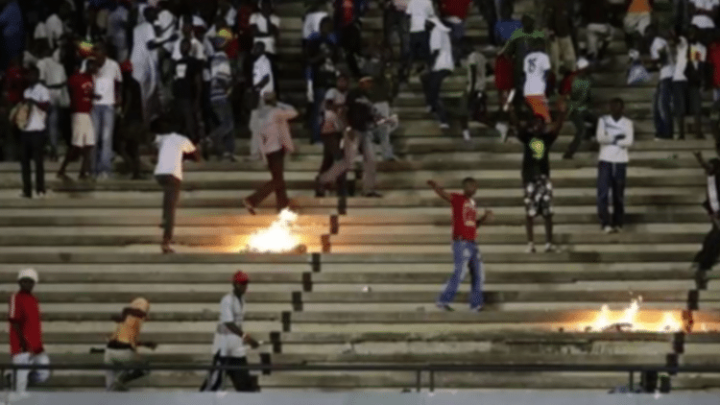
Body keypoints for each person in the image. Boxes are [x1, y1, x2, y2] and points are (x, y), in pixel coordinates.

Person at [316, 77, 392, 198]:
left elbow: (371, 116)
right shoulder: (353, 94)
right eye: (368, 82)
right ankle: (323, 180)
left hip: (365, 131)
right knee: (347, 162)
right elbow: (344, 111)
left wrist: (386, 120)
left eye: (371, 82)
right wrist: (347, 128)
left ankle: (369, 190)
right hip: (353, 130)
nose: (370, 84)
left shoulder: (368, 97)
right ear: (362, 83)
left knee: (371, 161)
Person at [428, 178, 492, 312]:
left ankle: (476, 304)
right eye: (470, 185)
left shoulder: (473, 204)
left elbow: (473, 225)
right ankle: (443, 300)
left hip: (472, 242)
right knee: (460, 272)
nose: (473, 188)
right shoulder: (458, 199)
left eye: (475, 186)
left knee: (478, 273)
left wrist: (484, 218)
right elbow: (444, 195)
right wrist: (435, 187)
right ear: (464, 187)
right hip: (461, 242)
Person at [515, 106, 568, 253]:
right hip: (530, 179)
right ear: (532, 126)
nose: (538, 126)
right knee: (530, 213)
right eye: (535, 123)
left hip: (543, 178)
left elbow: (557, 129)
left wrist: (561, 116)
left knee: (547, 213)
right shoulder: (527, 138)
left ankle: (548, 243)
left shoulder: (546, 139)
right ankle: (530, 243)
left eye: (541, 123)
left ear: (544, 126)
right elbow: (517, 126)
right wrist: (512, 111)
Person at [200, 271, 260, 392]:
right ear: (235, 284)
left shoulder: (242, 300)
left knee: (245, 385)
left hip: (237, 349)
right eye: (242, 283)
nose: (245, 286)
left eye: (246, 283)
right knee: (213, 383)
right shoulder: (227, 300)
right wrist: (246, 337)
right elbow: (229, 323)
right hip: (224, 349)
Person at [243, 92, 297, 214]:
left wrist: (263, 156)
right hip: (276, 149)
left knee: (278, 179)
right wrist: (280, 104)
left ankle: (283, 206)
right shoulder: (275, 111)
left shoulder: (258, 114)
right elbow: (294, 113)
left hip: (268, 151)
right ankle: (252, 200)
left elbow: (259, 137)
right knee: (277, 180)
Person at [153, 117, 201, 254]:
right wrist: (187, 156)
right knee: (171, 209)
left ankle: (164, 219)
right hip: (173, 175)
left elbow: (154, 144)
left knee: (167, 199)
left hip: (159, 173)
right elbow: (196, 155)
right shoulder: (182, 139)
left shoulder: (163, 138)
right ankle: (166, 242)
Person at [8, 268, 50, 394]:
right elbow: (15, 322)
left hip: (37, 347)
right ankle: (17, 381)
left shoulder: (34, 299)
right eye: (24, 281)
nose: (27, 284)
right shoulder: (16, 298)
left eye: (30, 282)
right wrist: (24, 345)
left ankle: (12, 376)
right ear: (19, 282)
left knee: (44, 373)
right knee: (20, 389)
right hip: (22, 348)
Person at [596, 98, 634, 233]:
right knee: (603, 193)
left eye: (617, 107)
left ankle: (618, 222)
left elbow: (629, 141)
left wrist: (611, 139)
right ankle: (605, 222)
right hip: (605, 159)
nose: (614, 109)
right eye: (612, 106)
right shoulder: (603, 120)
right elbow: (600, 138)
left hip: (620, 161)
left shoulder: (628, 122)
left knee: (618, 194)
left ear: (622, 109)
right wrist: (617, 138)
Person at [57, 58, 98, 181]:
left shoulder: (92, 79)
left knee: (89, 144)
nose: (95, 68)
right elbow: (68, 89)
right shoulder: (76, 78)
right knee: (77, 146)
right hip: (78, 113)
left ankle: (82, 172)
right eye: (92, 66)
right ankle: (62, 170)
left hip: (87, 113)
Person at [104, 297, 157, 392]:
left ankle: (116, 386)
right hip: (124, 352)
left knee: (111, 387)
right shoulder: (139, 317)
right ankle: (122, 378)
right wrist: (137, 352)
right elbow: (132, 341)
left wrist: (144, 344)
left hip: (109, 352)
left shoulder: (124, 315)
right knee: (145, 367)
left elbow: (115, 337)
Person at [92, 42, 123, 180]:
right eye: (95, 52)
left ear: (104, 53)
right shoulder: (89, 64)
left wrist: (118, 96)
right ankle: (93, 168)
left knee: (106, 138)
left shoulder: (113, 65)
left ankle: (105, 168)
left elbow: (119, 82)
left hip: (108, 105)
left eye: (99, 51)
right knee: (94, 137)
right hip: (94, 105)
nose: (97, 55)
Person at [306, 17, 339, 145]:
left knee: (330, 112)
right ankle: (316, 137)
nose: (329, 28)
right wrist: (322, 56)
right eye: (327, 25)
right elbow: (309, 60)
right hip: (319, 80)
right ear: (321, 26)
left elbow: (336, 60)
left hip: (330, 80)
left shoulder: (332, 42)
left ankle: (328, 136)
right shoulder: (314, 41)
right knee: (318, 111)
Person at [19, 65, 50, 199]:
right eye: (28, 75)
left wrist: (34, 102)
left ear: (37, 76)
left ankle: (40, 189)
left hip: (37, 129)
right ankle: (27, 190)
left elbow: (46, 107)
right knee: (24, 162)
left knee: (38, 162)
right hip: (26, 129)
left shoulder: (43, 90)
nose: (30, 77)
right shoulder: (26, 91)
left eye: (32, 75)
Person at [692, 145, 720, 286]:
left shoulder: (716, 174)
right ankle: (701, 265)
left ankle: (702, 264)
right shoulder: (712, 172)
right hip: (715, 210)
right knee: (714, 236)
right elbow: (707, 167)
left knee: (715, 236)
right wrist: (700, 159)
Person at [36, 42, 68, 161]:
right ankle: (54, 150)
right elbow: (64, 82)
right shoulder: (59, 65)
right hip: (57, 97)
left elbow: (41, 80)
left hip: (45, 96)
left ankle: (44, 151)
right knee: (53, 126)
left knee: (41, 126)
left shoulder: (41, 63)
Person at [673, 27, 706, 140]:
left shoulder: (701, 48)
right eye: (690, 32)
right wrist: (673, 35)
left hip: (692, 79)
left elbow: (700, 64)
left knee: (697, 106)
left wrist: (701, 81)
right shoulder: (683, 42)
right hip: (679, 78)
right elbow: (676, 40)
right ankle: (681, 134)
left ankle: (698, 132)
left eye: (694, 33)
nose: (692, 35)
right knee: (680, 108)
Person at [209, 30, 237, 161]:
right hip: (221, 95)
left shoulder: (215, 57)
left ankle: (227, 152)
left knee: (226, 124)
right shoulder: (222, 58)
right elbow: (221, 78)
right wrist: (229, 86)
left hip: (215, 95)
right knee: (228, 125)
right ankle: (212, 137)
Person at [422, 18, 453, 129]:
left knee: (435, 90)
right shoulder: (440, 31)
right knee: (425, 79)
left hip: (441, 66)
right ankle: (430, 104)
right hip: (443, 65)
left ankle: (443, 119)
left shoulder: (436, 31)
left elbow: (436, 51)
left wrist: (430, 66)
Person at [561, 58, 594, 159]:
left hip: (583, 108)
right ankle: (570, 151)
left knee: (599, 122)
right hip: (574, 109)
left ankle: (589, 136)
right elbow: (564, 94)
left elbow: (588, 95)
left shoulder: (588, 79)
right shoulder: (572, 79)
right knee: (581, 130)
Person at [117, 61, 145, 179]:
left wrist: (123, 115)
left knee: (121, 145)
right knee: (134, 147)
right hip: (138, 119)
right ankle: (136, 172)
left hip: (130, 120)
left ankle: (132, 168)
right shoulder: (136, 83)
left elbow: (128, 99)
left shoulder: (126, 84)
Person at [173, 38, 203, 144]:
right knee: (180, 125)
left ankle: (195, 149)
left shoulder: (193, 62)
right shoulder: (177, 63)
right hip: (178, 98)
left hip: (188, 97)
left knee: (190, 124)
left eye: (185, 45)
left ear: (190, 47)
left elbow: (198, 80)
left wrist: (197, 99)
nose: (183, 48)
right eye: (181, 46)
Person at [316, 96, 346, 197]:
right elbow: (339, 127)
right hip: (331, 137)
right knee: (339, 162)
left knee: (327, 162)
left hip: (329, 138)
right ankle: (340, 188)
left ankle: (321, 186)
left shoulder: (325, 114)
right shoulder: (330, 114)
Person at [650, 27, 675, 140]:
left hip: (668, 75)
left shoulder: (657, 41)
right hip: (664, 76)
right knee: (656, 106)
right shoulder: (655, 43)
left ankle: (667, 132)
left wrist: (646, 62)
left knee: (663, 105)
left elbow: (663, 58)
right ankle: (660, 131)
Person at [461, 39, 488, 142]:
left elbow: (473, 74)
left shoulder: (471, 57)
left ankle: (467, 135)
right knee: (480, 113)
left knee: (468, 113)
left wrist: (471, 91)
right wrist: (483, 76)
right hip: (482, 87)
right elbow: (489, 69)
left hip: (475, 88)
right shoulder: (481, 55)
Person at [404, 0, 436, 79]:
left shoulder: (412, 2)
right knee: (427, 50)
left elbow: (408, 14)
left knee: (412, 52)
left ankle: (408, 71)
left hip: (413, 28)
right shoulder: (428, 1)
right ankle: (431, 69)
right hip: (423, 28)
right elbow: (431, 14)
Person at [523, 39, 552, 123]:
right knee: (545, 119)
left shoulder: (527, 57)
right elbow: (547, 73)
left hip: (527, 89)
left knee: (537, 117)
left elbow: (526, 73)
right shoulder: (543, 56)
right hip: (537, 89)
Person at [545, 0, 576, 79]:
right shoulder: (551, 4)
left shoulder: (568, 4)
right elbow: (548, 19)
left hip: (565, 34)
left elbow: (570, 20)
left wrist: (571, 31)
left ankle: (571, 77)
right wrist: (551, 32)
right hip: (554, 36)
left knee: (570, 58)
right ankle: (555, 78)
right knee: (555, 59)